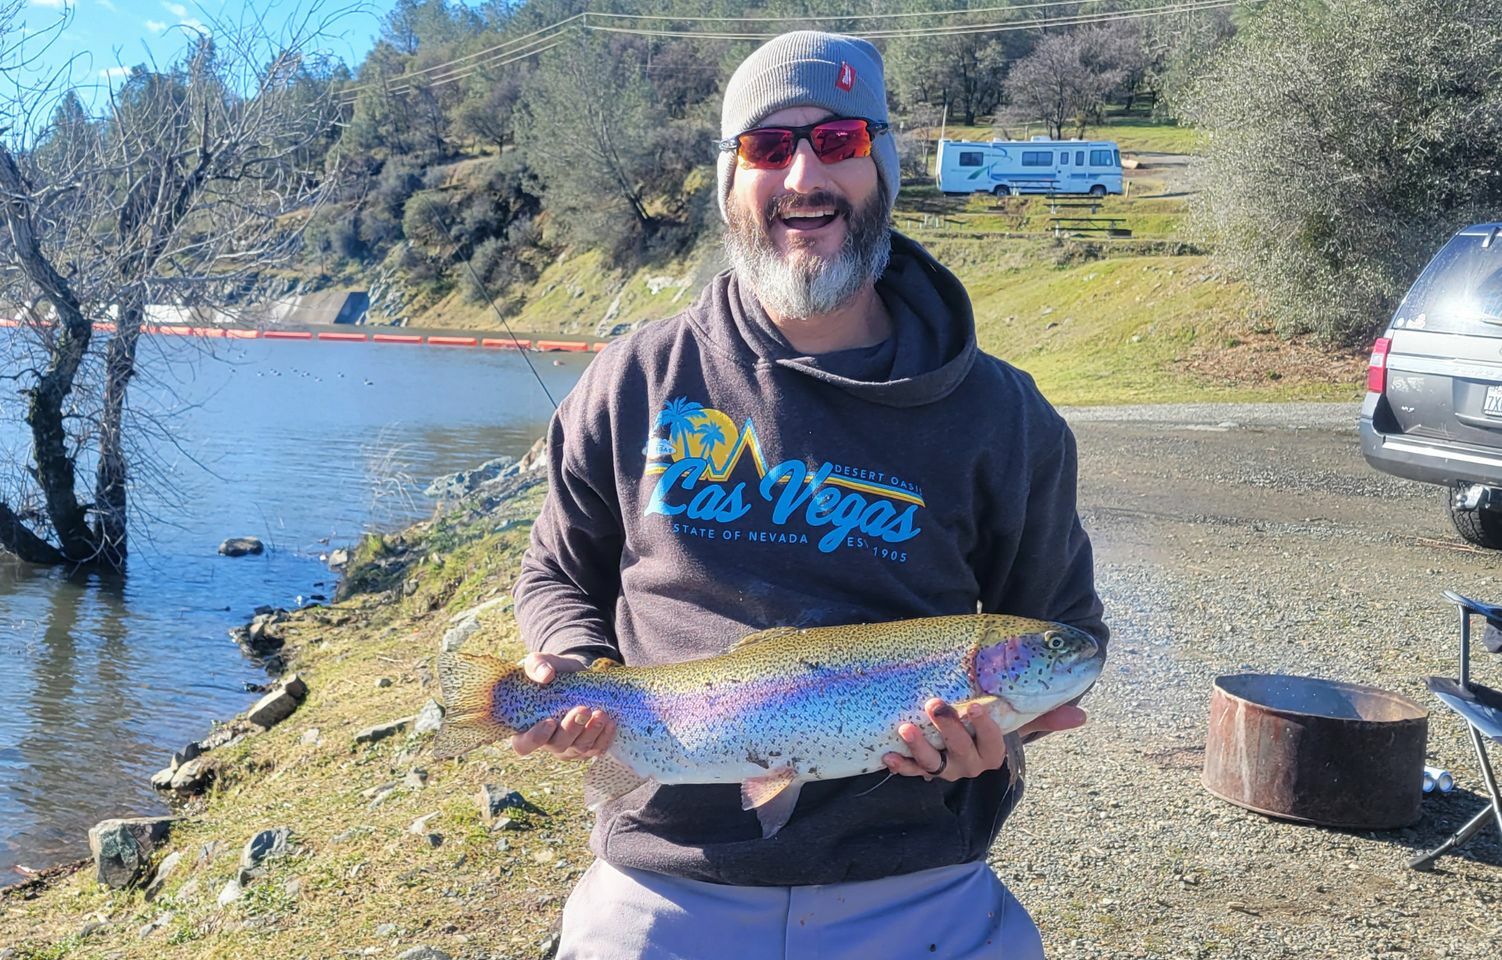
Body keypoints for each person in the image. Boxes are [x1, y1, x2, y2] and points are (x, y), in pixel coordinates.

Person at [510, 30, 1107, 960]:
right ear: (731, 176)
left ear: (882, 165)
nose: (803, 177)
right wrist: (573, 667)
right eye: (766, 147)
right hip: (665, 877)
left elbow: (1065, 627)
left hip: (916, 882)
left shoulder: (1005, 414)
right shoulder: (636, 377)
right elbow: (555, 570)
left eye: (838, 142)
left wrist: (996, 741)